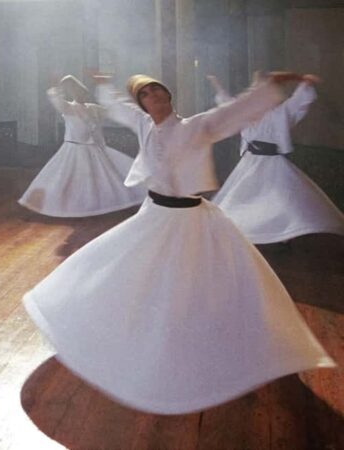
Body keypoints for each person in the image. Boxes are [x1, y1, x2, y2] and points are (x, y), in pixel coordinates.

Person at [22, 71, 335, 414]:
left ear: (169, 97)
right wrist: (103, 83)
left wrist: (273, 83)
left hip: (189, 217)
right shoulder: (143, 124)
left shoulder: (197, 126)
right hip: (154, 214)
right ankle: (126, 333)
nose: (155, 96)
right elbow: (117, 107)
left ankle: (203, 344)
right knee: (124, 269)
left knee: (193, 282)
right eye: (147, 94)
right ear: (142, 103)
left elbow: (236, 112)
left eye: (158, 91)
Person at [208, 73, 344, 243]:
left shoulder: (281, 112)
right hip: (251, 161)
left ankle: (280, 231)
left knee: (279, 197)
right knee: (245, 194)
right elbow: (228, 105)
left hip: (272, 161)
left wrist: (305, 85)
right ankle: (247, 229)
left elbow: (297, 103)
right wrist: (217, 85)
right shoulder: (246, 113)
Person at [19, 75, 144, 217]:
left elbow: (111, 111)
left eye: (82, 91)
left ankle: (99, 204)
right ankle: (68, 205)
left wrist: (112, 93)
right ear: (70, 93)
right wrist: (56, 87)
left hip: (94, 150)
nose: (81, 94)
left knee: (103, 178)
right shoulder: (68, 107)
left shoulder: (93, 108)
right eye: (76, 92)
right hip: (74, 149)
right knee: (68, 178)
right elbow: (57, 100)